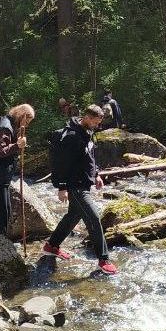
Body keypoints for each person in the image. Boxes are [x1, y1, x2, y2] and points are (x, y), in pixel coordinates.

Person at [42, 104, 118, 275]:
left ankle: (51, 245)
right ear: (87, 118)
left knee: (73, 217)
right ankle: (103, 260)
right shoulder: (71, 136)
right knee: (93, 218)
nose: (97, 126)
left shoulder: (88, 133)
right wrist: (61, 187)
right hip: (74, 186)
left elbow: (89, 157)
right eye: (96, 122)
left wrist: (96, 174)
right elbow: (60, 164)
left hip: (84, 182)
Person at [0, 103, 36, 236]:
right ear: (21, 115)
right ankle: (0, 248)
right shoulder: (5, 127)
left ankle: (2, 245)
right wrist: (17, 145)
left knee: (5, 213)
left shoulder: (9, 125)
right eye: (27, 121)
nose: (27, 125)